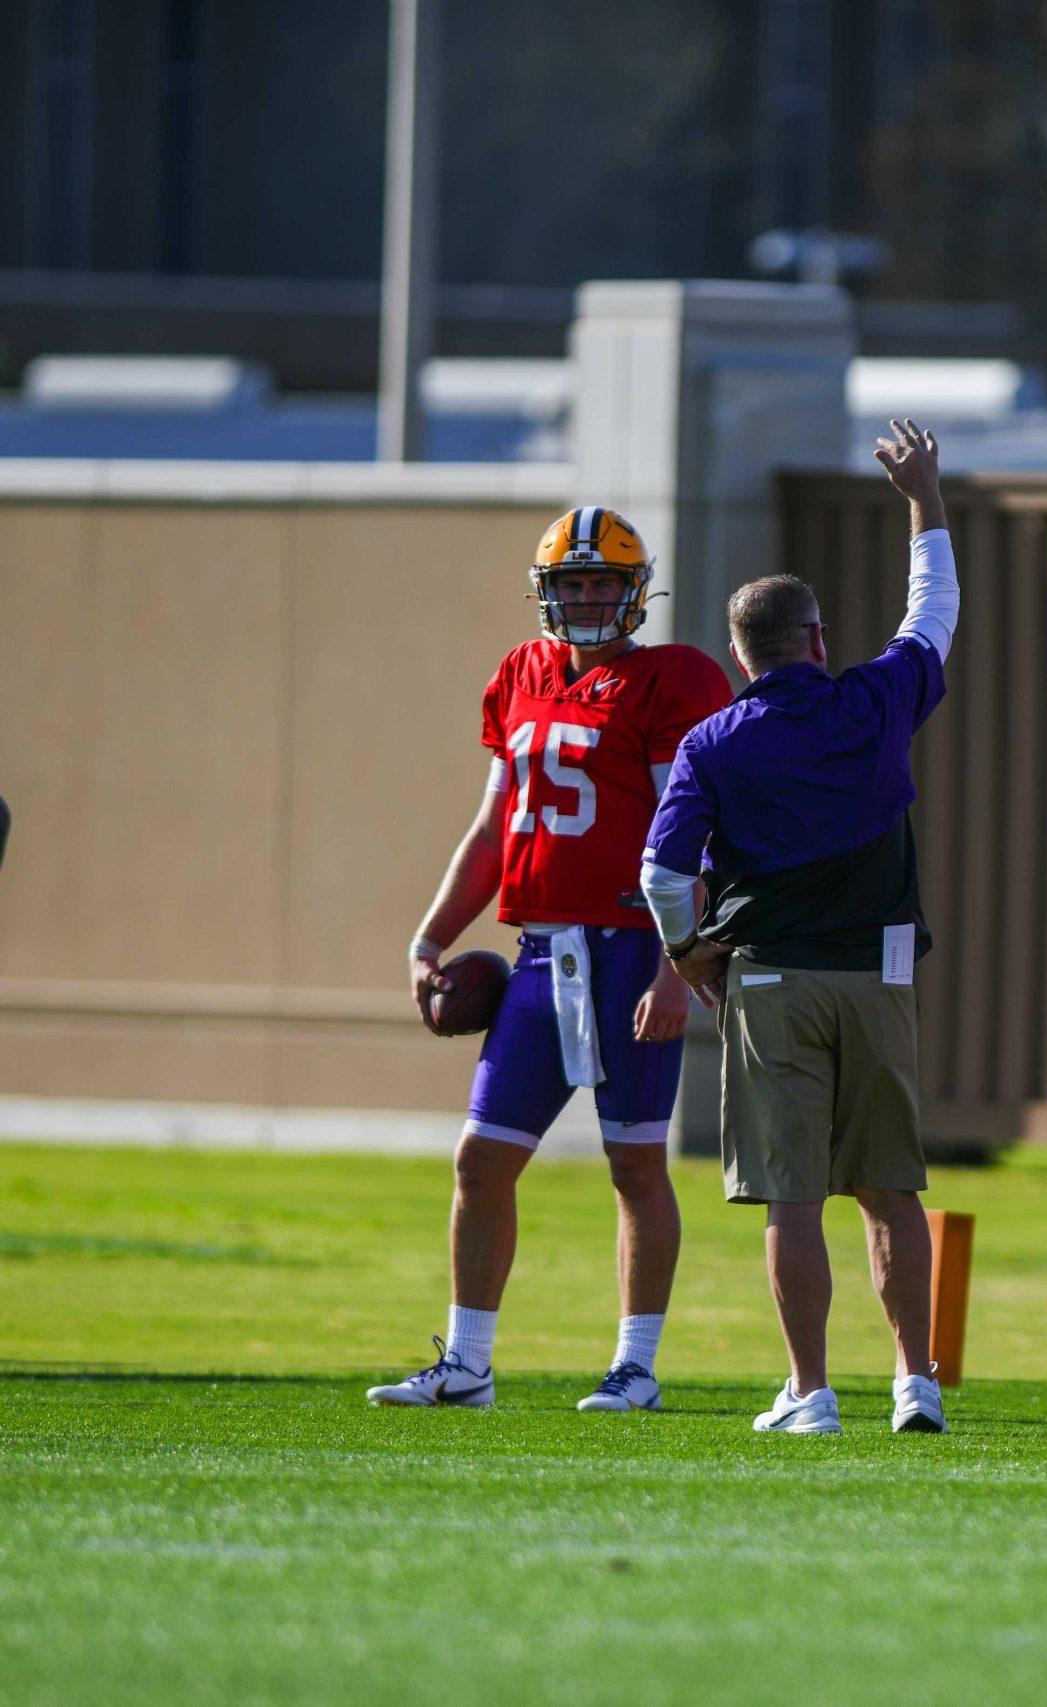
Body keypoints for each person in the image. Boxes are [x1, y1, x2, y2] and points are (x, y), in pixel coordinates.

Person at [369, 508, 733, 1412]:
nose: (585, 596)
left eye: (602, 581)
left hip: (632, 946)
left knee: (636, 1166)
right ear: (546, 591)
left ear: (633, 590)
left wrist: (676, 965)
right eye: (570, 582)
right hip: (539, 953)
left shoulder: (671, 680)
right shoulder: (520, 675)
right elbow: (494, 829)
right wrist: (431, 937)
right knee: (480, 1161)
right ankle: (466, 1362)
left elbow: (695, 834)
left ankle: (636, 1368)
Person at [640, 419, 958, 1437]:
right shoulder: (874, 699)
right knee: (891, 1189)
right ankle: (916, 1384)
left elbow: (660, 872)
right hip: (880, 972)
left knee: (791, 1199)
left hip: (770, 980)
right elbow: (935, 609)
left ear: (740, 655)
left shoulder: (713, 741)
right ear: (817, 640)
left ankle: (811, 1393)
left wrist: (687, 952)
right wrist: (922, 496)